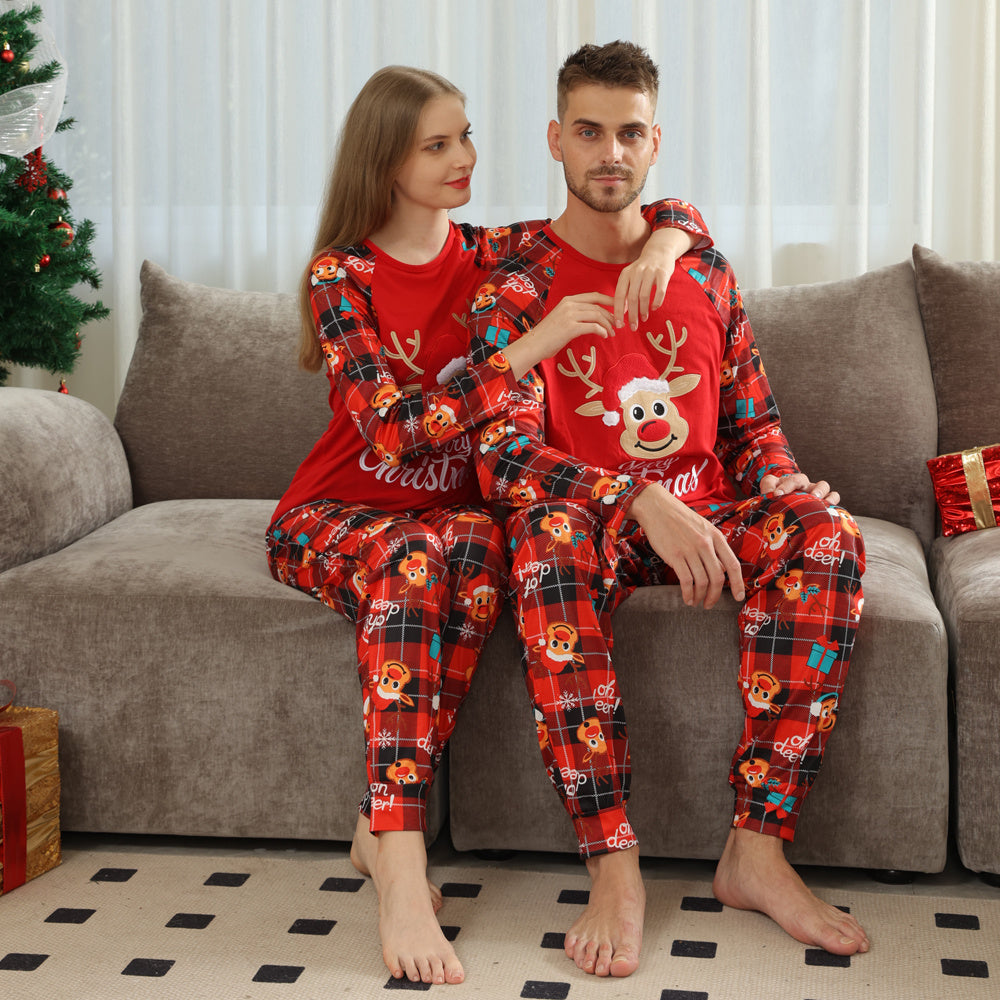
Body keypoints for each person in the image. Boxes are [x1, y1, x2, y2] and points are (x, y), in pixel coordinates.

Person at [264, 64, 710, 986]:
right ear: (385, 160)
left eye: (465, 135)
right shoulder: (339, 275)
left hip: (447, 523)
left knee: (473, 540)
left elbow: (641, 204)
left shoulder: (490, 251)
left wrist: (668, 241)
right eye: (438, 144)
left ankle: (374, 833)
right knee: (422, 557)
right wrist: (525, 350)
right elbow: (391, 426)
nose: (465, 157)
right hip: (337, 514)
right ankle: (397, 859)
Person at [468, 41, 869, 979]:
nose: (612, 152)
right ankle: (613, 864)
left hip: (711, 515)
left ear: (657, 142)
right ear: (555, 140)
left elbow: (753, 429)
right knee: (541, 544)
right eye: (591, 131)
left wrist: (785, 487)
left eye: (631, 132)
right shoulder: (513, 277)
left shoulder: (705, 269)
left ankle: (756, 853)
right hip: (593, 519)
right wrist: (638, 497)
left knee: (829, 536)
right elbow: (506, 456)